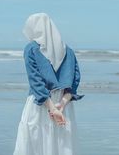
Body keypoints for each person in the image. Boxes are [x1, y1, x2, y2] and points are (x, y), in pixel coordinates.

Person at [13, 13, 85, 155]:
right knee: (62, 144)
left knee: (36, 142)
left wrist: (52, 109)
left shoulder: (31, 49)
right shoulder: (68, 51)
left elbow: (36, 83)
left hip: (41, 105)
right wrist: (61, 105)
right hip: (63, 106)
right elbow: (74, 82)